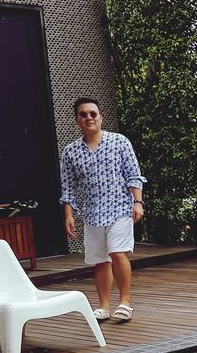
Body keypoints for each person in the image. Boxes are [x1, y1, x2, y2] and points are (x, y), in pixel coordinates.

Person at [60, 97, 144, 322]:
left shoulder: (120, 142)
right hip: (92, 212)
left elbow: (133, 175)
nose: (89, 117)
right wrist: (69, 215)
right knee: (100, 260)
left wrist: (138, 202)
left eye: (93, 114)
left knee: (117, 253)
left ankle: (125, 302)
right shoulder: (70, 152)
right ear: (77, 119)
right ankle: (104, 306)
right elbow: (68, 187)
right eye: (83, 114)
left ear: (100, 117)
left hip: (120, 208)